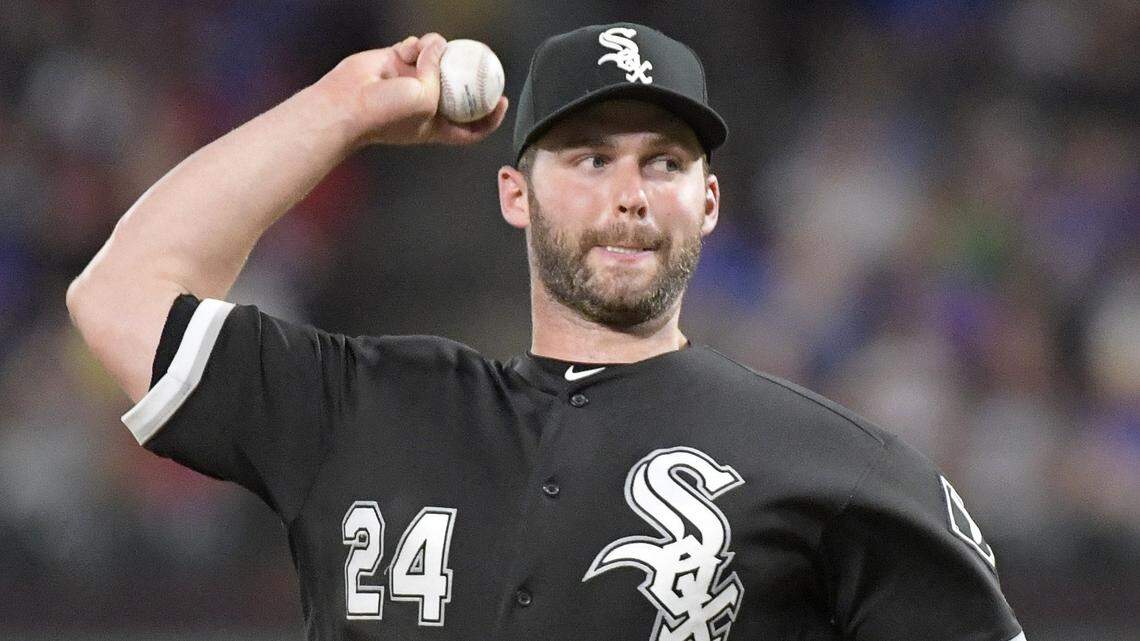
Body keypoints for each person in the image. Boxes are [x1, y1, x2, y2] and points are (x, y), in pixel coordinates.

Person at [67, 22, 1026, 641]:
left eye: (664, 161)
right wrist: (341, 110)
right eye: (589, 156)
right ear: (515, 194)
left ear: (710, 202)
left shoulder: (834, 467)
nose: (628, 195)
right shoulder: (360, 408)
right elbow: (119, 295)